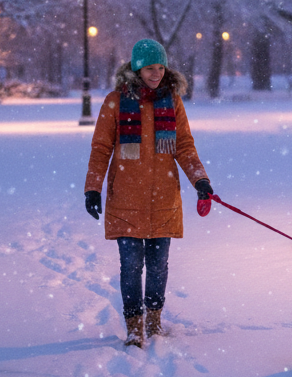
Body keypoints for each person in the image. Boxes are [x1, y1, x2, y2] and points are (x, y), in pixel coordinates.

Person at [84, 39, 213, 347]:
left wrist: (200, 181)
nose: (156, 73)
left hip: (164, 199)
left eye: (160, 67)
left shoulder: (172, 101)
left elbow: (183, 146)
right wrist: (92, 188)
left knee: (158, 266)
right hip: (126, 199)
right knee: (131, 266)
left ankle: (154, 321)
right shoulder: (115, 102)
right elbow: (101, 148)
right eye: (149, 68)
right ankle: (133, 326)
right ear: (136, 68)